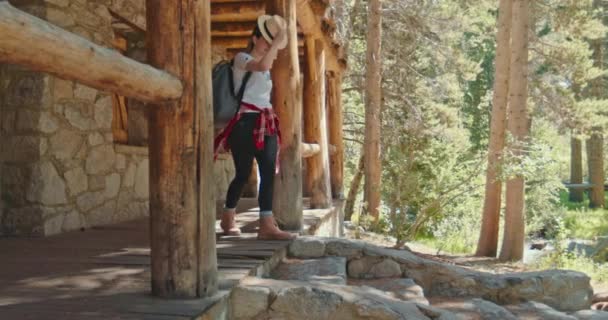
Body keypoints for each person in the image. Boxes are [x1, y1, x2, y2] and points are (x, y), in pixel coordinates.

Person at [214, 14, 296, 240]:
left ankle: (267, 225)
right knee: (241, 174)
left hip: (265, 122)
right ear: (254, 38)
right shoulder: (241, 58)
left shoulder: (266, 65)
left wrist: (276, 44)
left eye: (273, 41)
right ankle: (228, 218)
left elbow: (265, 67)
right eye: (266, 40)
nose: (270, 44)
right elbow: (261, 65)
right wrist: (278, 44)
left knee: (268, 172)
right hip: (244, 123)